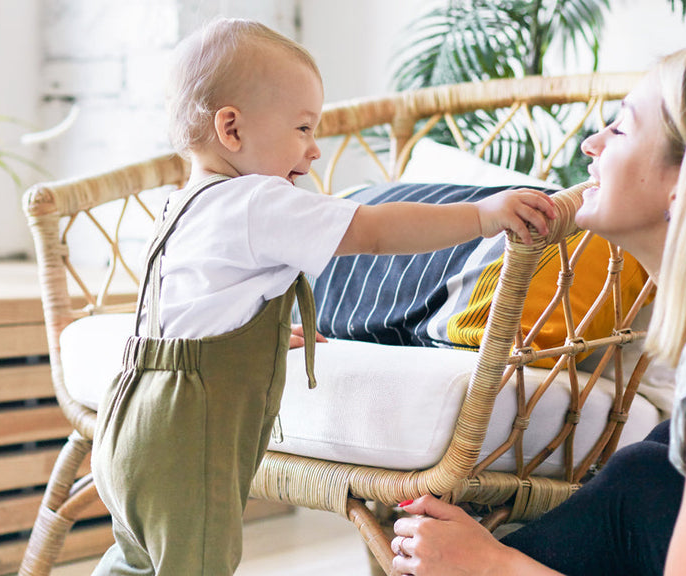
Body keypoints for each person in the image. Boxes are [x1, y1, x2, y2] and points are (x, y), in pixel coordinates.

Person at [89, 18, 559, 576]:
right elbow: (377, 230)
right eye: (303, 128)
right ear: (231, 129)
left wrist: (256, 337)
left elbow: (186, 321)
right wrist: (482, 216)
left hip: (126, 423)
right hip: (185, 440)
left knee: (136, 561)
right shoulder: (258, 200)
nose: (314, 151)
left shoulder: (182, 204)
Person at [389, 46, 686, 576]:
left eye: (620, 130)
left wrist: (493, 567)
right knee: (651, 467)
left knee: (642, 484)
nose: (591, 145)